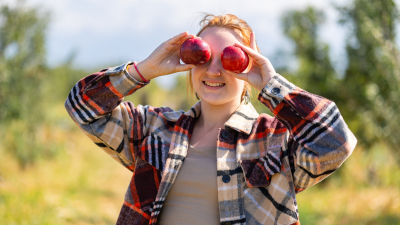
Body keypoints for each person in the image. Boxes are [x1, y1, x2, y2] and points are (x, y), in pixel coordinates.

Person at [65, 14, 357, 225]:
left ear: (249, 68)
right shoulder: (156, 130)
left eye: (230, 59)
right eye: (202, 58)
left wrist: (271, 84)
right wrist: (143, 70)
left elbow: (336, 143)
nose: (214, 71)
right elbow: (82, 107)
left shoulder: (274, 140)